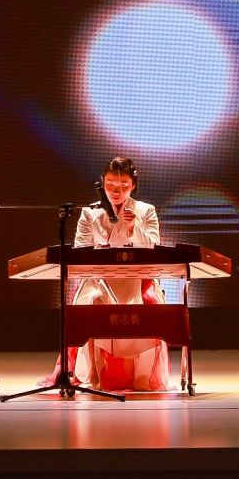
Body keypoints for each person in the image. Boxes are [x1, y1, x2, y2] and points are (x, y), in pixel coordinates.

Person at [68, 156, 170, 392]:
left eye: (124, 185)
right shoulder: (90, 212)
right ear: (102, 183)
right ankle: (96, 375)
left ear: (133, 185)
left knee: (148, 302)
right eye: (111, 185)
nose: (117, 191)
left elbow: (154, 247)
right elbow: (80, 248)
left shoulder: (145, 210)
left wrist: (133, 227)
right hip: (99, 278)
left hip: (137, 278)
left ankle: (139, 376)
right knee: (93, 299)